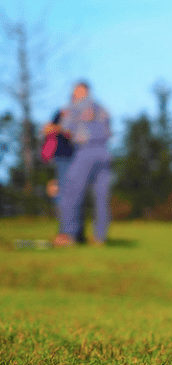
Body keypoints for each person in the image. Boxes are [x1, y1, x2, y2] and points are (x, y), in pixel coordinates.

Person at [52, 81, 112, 247]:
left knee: (71, 194)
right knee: (101, 197)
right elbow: (109, 130)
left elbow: (66, 130)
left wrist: (54, 127)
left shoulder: (73, 108)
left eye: (75, 90)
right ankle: (100, 237)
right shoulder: (101, 108)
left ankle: (69, 235)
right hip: (104, 153)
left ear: (81, 91)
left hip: (85, 151)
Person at [42, 108, 87, 243]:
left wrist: (59, 129)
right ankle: (71, 234)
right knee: (62, 198)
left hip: (74, 160)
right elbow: (48, 132)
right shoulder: (61, 112)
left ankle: (70, 235)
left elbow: (77, 135)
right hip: (59, 161)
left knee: (70, 198)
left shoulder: (80, 115)